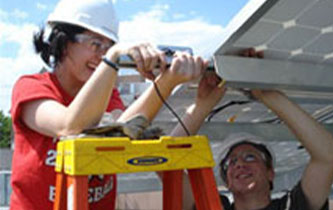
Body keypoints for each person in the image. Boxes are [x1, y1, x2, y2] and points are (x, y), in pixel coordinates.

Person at [9, 0, 212, 209]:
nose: (102, 56)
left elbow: (126, 128)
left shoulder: (106, 94)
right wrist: (113, 57)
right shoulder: (31, 87)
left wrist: (167, 82)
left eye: (109, 47)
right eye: (95, 44)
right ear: (62, 41)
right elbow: (69, 126)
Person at [178, 49, 333, 210]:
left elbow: (328, 156)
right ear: (227, 182)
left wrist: (268, 94)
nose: (239, 164)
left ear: (270, 173)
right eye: (231, 162)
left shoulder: (291, 206)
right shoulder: (213, 206)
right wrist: (201, 107)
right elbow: (166, 161)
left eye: (250, 157)